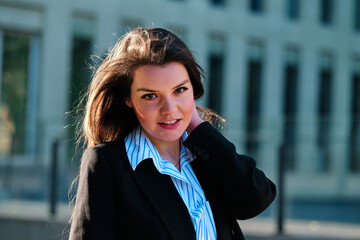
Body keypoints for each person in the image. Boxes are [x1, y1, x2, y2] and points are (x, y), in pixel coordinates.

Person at [68, 27, 276, 240]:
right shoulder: (107, 163)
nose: (169, 109)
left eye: (179, 90)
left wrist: (196, 125)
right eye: (150, 96)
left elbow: (256, 200)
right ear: (128, 99)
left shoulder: (206, 154)